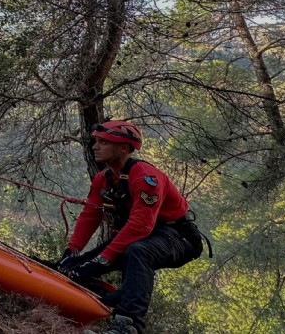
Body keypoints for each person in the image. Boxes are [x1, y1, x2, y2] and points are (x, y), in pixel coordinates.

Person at [57, 120, 204, 334]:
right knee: (76, 265)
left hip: (177, 237)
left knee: (138, 252)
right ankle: (108, 299)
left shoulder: (146, 178)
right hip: (143, 235)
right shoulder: (103, 179)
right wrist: (72, 251)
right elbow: (90, 215)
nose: (95, 146)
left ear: (124, 148)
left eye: (103, 142)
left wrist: (102, 259)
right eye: (95, 141)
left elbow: (140, 225)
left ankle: (129, 326)